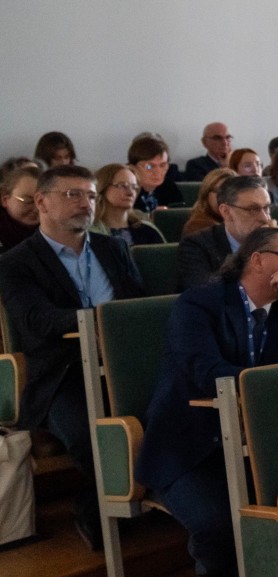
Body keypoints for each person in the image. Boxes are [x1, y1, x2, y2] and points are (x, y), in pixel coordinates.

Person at [138, 226, 278, 577]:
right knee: (217, 521)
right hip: (190, 443)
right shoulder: (198, 304)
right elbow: (207, 372)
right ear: (257, 259)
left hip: (255, 439)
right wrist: (271, 385)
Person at [0, 165, 146, 552]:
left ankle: (121, 501)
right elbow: (36, 319)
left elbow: (138, 305)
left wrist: (114, 325)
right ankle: (102, 506)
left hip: (121, 366)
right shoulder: (16, 262)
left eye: (91, 196)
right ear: (41, 201)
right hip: (62, 374)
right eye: (73, 195)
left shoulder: (113, 249)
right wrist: (98, 321)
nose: (86, 203)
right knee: (87, 436)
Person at [177, 175, 274, 290]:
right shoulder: (196, 246)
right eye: (253, 209)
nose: (264, 218)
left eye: (266, 208)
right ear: (226, 212)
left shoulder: (275, 243)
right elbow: (205, 293)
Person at [88, 164, 165, 246]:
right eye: (122, 186)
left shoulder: (148, 231)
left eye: (134, 187)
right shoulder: (89, 233)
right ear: (102, 187)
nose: (130, 193)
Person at [128, 135, 183, 212]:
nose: (157, 172)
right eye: (149, 166)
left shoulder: (169, 186)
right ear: (133, 168)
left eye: (162, 165)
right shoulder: (126, 190)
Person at [180, 168, 235, 237]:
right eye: (219, 191)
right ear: (206, 194)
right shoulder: (198, 226)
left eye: (231, 192)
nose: (225, 196)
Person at [0, 163, 41, 251]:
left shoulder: (53, 235)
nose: (36, 209)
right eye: (28, 201)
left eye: (41, 202)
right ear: (5, 200)